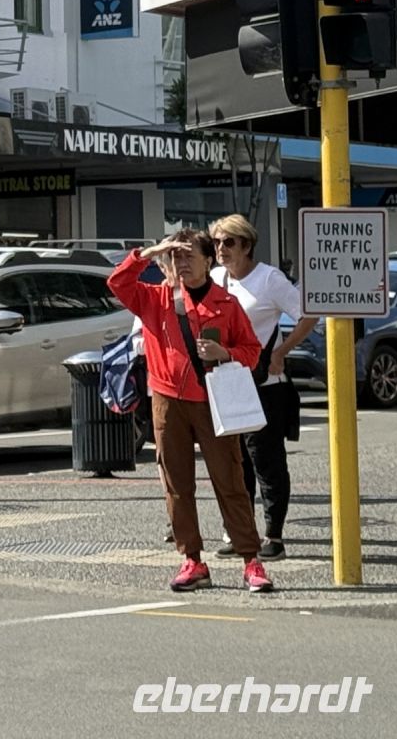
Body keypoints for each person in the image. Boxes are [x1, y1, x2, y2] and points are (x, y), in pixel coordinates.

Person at [109, 230, 273, 594]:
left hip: (213, 400)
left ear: (208, 261)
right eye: (175, 257)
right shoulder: (155, 298)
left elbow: (252, 350)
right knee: (176, 485)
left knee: (229, 480)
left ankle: (251, 560)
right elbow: (117, 282)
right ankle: (193, 560)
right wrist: (149, 252)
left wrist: (224, 353)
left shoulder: (226, 303)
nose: (180, 263)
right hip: (167, 400)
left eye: (188, 256)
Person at [209, 213, 316, 561]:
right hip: (226, 382)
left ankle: (274, 535)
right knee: (233, 462)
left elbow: (308, 314)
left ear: (246, 245)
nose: (221, 249)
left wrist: (282, 352)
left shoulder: (269, 279)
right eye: (217, 242)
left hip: (263, 383)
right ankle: (240, 531)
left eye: (228, 242)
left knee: (266, 460)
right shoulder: (215, 279)